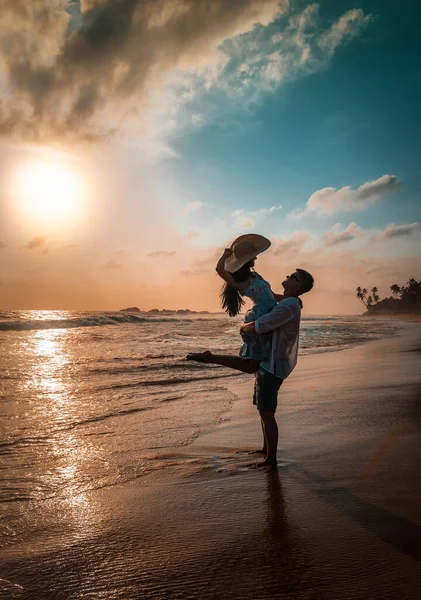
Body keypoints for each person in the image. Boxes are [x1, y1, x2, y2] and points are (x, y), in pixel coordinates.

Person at [187, 268, 314, 470]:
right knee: (262, 409)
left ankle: (271, 460)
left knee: (267, 411)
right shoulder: (290, 302)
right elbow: (270, 296)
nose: (288, 277)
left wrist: (244, 327)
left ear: (298, 285)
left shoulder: (290, 304)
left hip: (272, 364)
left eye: (292, 277)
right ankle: (266, 450)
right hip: (269, 360)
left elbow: (263, 324)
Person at [216, 234, 283, 364]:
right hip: (260, 316)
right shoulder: (240, 282)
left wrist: (292, 298)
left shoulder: (256, 276)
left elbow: (273, 296)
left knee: (266, 356)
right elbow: (219, 269)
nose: (256, 257)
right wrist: (224, 255)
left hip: (270, 314)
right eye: (253, 255)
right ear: (246, 260)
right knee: (255, 359)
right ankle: (212, 358)